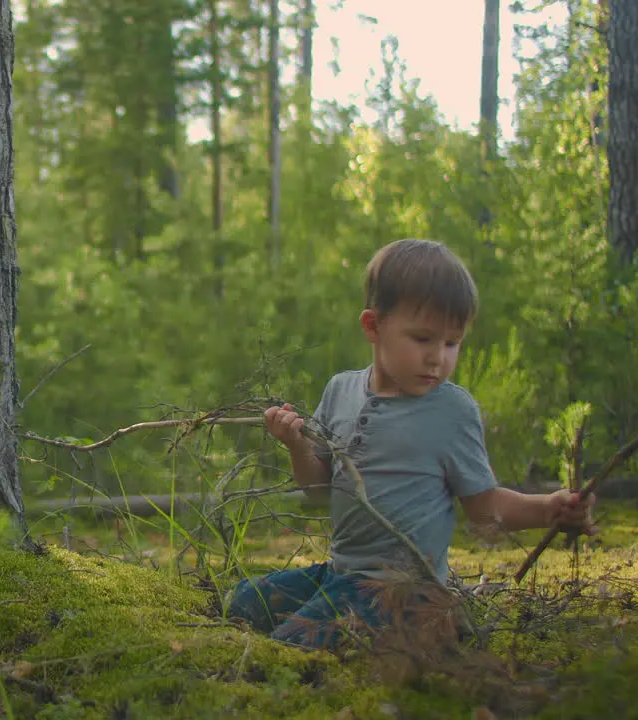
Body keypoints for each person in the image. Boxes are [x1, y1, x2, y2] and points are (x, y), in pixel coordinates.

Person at [226, 238, 597, 651]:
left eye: (452, 343)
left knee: (288, 646)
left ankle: (421, 633)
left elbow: (483, 509)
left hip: (404, 594)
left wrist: (548, 509)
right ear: (373, 326)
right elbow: (317, 491)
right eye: (423, 339)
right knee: (242, 603)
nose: (438, 357)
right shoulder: (340, 390)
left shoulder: (451, 411)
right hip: (341, 575)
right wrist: (296, 444)